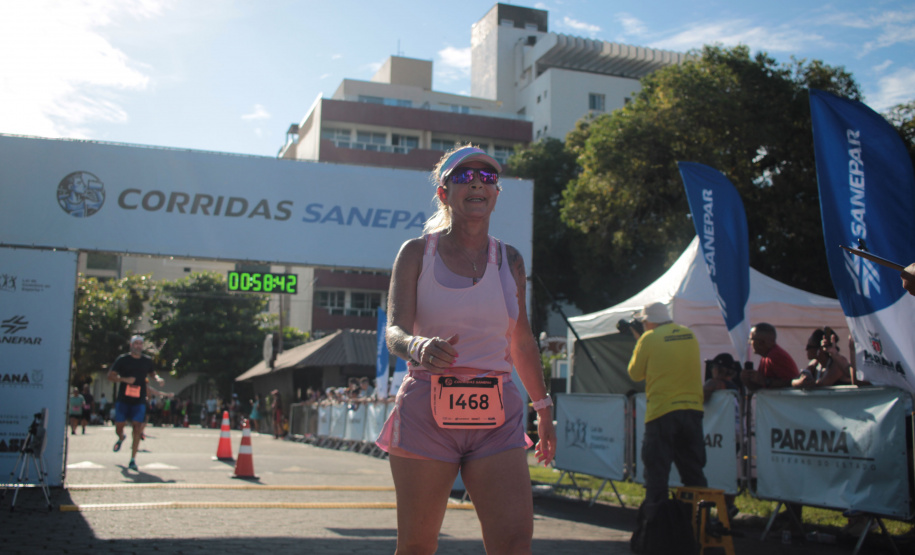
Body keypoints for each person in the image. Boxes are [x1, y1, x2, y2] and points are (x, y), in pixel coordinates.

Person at [375, 144, 556, 554]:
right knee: (418, 546)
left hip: (498, 415)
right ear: (444, 193)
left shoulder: (509, 259)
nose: (477, 183)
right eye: (464, 176)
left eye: (488, 177)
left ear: (495, 194)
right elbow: (395, 331)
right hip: (427, 410)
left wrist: (543, 409)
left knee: (514, 541)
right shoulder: (417, 252)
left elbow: (522, 340)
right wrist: (417, 345)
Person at [627, 301, 707, 519]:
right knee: (693, 472)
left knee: (656, 474)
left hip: (661, 412)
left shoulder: (649, 338)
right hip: (692, 410)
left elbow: (635, 373)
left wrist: (639, 342)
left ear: (649, 321)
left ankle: (656, 531)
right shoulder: (688, 334)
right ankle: (702, 527)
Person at [107, 335, 168, 471]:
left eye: (141, 344)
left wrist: (158, 379)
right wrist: (124, 379)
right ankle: (121, 437)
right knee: (119, 426)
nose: (139, 346)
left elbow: (153, 374)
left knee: (137, 428)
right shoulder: (123, 360)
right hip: (123, 399)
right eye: (136, 343)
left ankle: (133, 459)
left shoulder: (147, 361)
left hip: (139, 400)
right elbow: (110, 376)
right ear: (131, 345)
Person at [740, 323, 799, 390]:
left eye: (751, 339)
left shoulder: (775, 356)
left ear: (761, 342)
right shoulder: (766, 356)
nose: (749, 342)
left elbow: (791, 382)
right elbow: (760, 387)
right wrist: (748, 380)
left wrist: (765, 381)